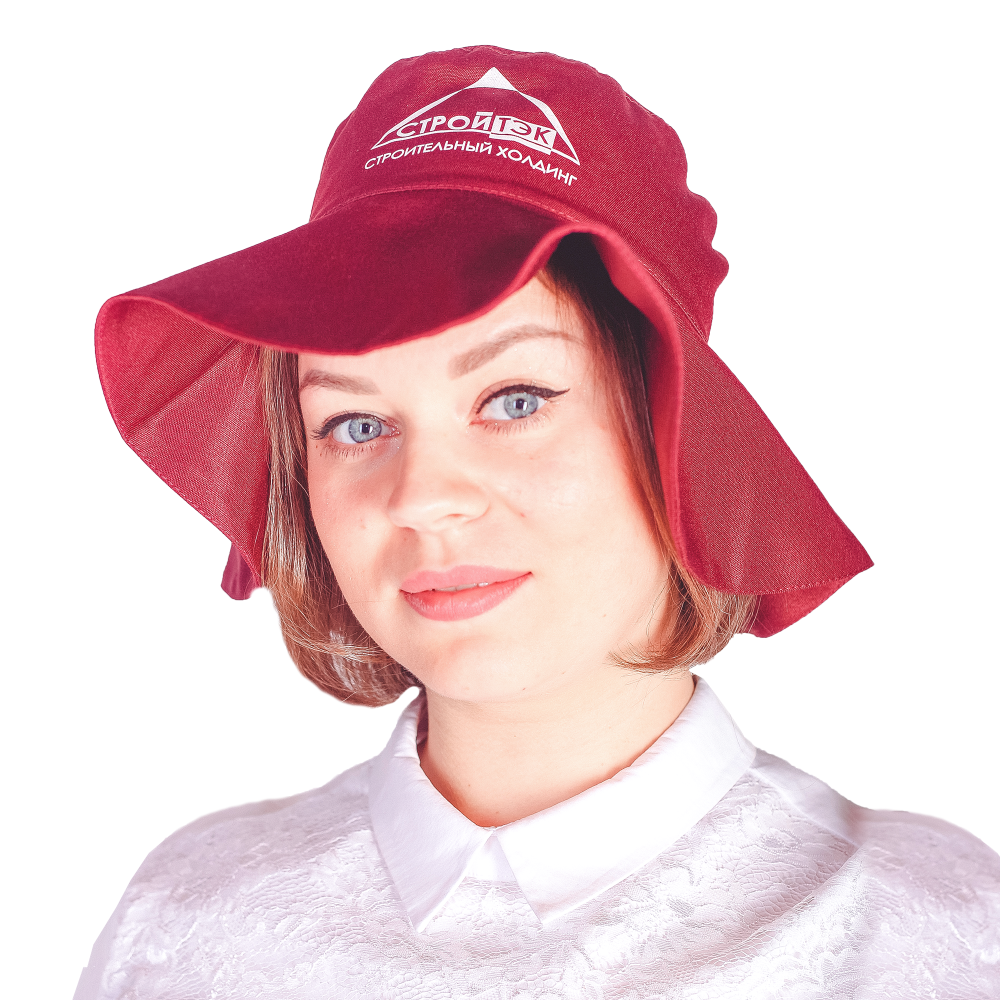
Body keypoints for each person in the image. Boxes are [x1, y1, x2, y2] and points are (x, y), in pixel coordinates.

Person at [75, 46, 1000, 998]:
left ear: (678, 432)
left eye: (515, 400)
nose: (422, 496)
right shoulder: (193, 930)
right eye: (355, 424)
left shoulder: (927, 939)